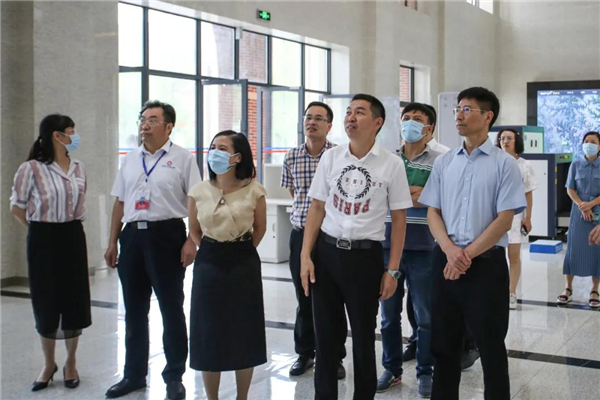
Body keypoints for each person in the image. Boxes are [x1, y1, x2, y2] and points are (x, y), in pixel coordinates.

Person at [301, 94, 413, 399]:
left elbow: (399, 221)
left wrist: (393, 271)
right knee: (325, 337)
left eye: (359, 112)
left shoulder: (391, 164)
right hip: (326, 254)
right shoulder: (331, 158)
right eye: (349, 112)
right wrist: (305, 256)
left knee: (363, 337)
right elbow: (316, 208)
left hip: (365, 258)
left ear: (377, 122)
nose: (350, 117)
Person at [419, 87, 526, 400]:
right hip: (445, 262)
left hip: (486, 266)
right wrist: (450, 251)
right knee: (443, 346)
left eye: (467, 109)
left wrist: (465, 256)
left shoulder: (504, 164)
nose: (458, 115)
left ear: (487, 116)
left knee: (490, 346)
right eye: (458, 109)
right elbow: (432, 212)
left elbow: (504, 219)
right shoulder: (445, 162)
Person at [104, 100, 201, 400]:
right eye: (142, 119)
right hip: (132, 237)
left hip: (167, 236)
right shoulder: (130, 159)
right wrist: (112, 241)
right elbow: (120, 202)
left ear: (168, 126)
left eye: (152, 120)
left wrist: (192, 239)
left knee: (171, 308)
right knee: (134, 310)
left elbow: (195, 200)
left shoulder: (182, 158)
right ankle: (133, 375)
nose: (145, 125)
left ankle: (174, 376)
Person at [10, 114, 91, 392]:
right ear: (57, 136)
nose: (75, 136)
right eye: (71, 131)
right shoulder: (31, 168)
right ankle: (48, 364)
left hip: (72, 235)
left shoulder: (78, 167)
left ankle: (71, 362)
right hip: (43, 237)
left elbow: (80, 205)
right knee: (46, 301)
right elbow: (17, 207)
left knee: (74, 299)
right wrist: (38, 230)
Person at [187, 130, 267, 400]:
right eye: (213, 147)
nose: (214, 152)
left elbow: (259, 229)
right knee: (208, 330)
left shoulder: (255, 190)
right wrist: (214, 247)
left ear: (237, 157)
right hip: (209, 261)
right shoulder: (198, 191)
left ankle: (242, 396)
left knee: (244, 330)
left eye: (222, 148)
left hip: (243, 261)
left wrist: (238, 248)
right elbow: (194, 230)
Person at [377, 102, 441, 398]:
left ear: (429, 128)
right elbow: (382, 196)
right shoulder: (388, 159)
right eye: (406, 118)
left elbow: (437, 198)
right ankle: (391, 369)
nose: (410, 123)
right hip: (388, 244)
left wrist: (408, 195)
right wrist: (416, 194)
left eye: (417, 119)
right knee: (388, 315)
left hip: (424, 246)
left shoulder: (440, 160)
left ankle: (426, 371)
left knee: (425, 315)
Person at [281, 102, 348, 378]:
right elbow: (294, 193)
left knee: (333, 299)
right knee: (304, 296)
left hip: (330, 237)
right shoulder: (291, 156)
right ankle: (305, 353)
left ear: (329, 126)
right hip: (300, 234)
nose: (312, 122)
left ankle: (334, 356)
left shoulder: (340, 156)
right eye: (308, 117)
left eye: (319, 118)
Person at [557, 131, 600, 308]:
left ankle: (595, 290)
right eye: (586, 141)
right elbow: (570, 189)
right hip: (578, 213)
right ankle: (568, 288)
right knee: (573, 250)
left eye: (593, 141)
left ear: (599, 146)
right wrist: (582, 205)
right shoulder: (576, 164)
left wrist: (591, 204)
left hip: (597, 213)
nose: (589, 144)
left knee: (596, 251)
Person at [496, 129, 537, 310]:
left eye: (509, 138)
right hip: (494, 215)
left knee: (513, 255)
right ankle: (495, 292)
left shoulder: (524, 165)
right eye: (502, 138)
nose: (505, 141)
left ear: (516, 141)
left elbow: (528, 193)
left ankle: (511, 293)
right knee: (494, 255)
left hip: (515, 215)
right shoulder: (494, 161)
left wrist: (528, 217)